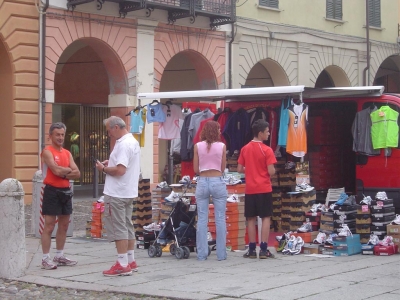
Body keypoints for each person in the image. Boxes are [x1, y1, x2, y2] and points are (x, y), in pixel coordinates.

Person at [95, 116, 140, 276]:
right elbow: (123, 165)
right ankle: (130, 260)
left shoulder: (123, 144)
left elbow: (120, 171)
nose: (108, 134)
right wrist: (111, 163)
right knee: (127, 225)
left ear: (115, 127)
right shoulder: (132, 141)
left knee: (118, 226)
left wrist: (104, 169)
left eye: (108, 130)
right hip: (128, 191)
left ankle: (122, 263)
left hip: (117, 192)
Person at [41, 122, 81, 270]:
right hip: (52, 191)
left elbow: (77, 173)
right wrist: (66, 171)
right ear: (50, 136)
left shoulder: (67, 153)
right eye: (57, 134)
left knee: (64, 225)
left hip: (66, 191)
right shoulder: (47, 151)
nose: (60, 137)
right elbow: (55, 171)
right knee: (49, 225)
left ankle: (59, 255)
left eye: (62, 135)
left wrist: (62, 171)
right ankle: (45, 258)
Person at [237, 119, 276, 259]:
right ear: (260, 133)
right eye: (267, 131)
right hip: (264, 187)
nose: (269, 133)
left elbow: (239, 169)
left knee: (251, 218)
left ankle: (252, 249)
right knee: (265, 217)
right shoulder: (267, 150)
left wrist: (251, 170)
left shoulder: (245, 148)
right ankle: (264, 249)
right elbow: (271, 171)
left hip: (250, 188)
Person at [193, 120, 228, 261]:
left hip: (202, 181)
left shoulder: (197, 146)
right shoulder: (222, 146)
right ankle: (221, 254)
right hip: (217, 180)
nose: (220, 132)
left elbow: (196, 169)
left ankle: (201, 254)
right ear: (215, 131)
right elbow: (222, 167)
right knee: (220, 218)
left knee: (202, 219)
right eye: (218, 129)